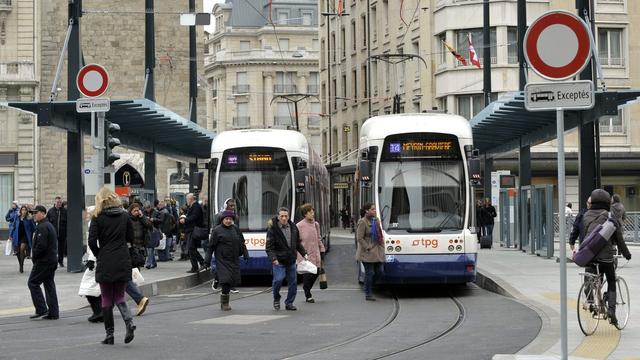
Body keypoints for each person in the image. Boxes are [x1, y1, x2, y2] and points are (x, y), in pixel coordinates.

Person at [88, 187, 137, 345]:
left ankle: (110, 335)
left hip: (105, 258)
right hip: (122, 258)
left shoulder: (97, 217)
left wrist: (98, 254)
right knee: (120, 296)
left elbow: (91, 241)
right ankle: (129, 323)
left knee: (107, 297)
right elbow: (131, 237)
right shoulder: (124, 216)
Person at [579, 189, 631, 326]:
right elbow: (619, 238)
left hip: (589, 256)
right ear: (607, 202)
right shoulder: (610, 216)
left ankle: (590, 300)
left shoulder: (586, 216)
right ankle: (612, 311)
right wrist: (627, 254)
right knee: (612, 280)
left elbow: (585, 235)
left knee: (592, 275)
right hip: (606, 258)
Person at [206, 210, 249, 311]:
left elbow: (242, 242)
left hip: (234, 259)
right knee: (225, 281)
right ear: (222, 220)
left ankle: (218, 280)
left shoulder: (236, 229)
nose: (228, 221)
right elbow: (211, 247)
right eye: (226, 219)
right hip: (222, 260)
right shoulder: (217, 230)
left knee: (231, 281)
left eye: (230, 219)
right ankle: (224, 303)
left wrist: (246, 253)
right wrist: (206, 261)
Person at [266, 207, 307, 311]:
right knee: (278, 280)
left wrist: (304, 254)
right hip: (279, 261)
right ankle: (276, 297)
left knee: (293, 283)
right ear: (278, 216)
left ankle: (289, 303)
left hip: (291, 260)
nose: (284, 218)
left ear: (288, 217)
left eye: (286, 216)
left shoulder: (293, 227)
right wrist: (274, 259)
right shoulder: (273, 229)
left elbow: (297, 243)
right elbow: (269, 247)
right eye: (282, 216)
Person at [27, 205, 59, 320]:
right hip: (50, 260)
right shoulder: (47, 225)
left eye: (36, 213)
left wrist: (34, 256)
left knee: (32, 283)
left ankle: (41, 309)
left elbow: (41, 246)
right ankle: (53, 313)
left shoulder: (43, 227)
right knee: (49, 284)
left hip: (44, 261)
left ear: (42, 213)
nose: (34, 215)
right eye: (33, 213)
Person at [296, 203, 326, 303]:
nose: (312, 213)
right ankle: (308, 294)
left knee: (316, 272)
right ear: (305, 214)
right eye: (310, 212)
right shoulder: (299, 226)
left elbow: (318, 238)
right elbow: (296, 241)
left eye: (313, 212)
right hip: (304, 255)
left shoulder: (316, 224)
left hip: (316, 253)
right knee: (308, 274)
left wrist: (322, 250)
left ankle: (307, 288)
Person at [356, 202, 385, 301]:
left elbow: (380, 234)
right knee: (370, 273)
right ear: (366, 211)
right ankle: (368, 293)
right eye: (372, 209)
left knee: (380, 271)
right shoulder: (362, 222)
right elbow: (359, 238)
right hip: (367, 252)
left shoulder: (376, 220)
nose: (374, 211)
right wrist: (367, 247)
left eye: (374, 209)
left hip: (377, 250)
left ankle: (369, 286)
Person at [180, 193, 206, 273]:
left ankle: (201, 263)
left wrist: (185, 220)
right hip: (190, 230)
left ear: (191, 199)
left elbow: (194, 216)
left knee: (191, 248)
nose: (187, 201)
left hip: (193, 230)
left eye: (187, 199)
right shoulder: (192, 206)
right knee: (192, 249)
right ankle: (197, 265)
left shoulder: (196, 206)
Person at [11, 205, 36, 273]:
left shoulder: (29, 218)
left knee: (22, 249)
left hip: (25, 237)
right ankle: (21, 264)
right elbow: (13, 226)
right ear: (20, 211)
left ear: (27, 211)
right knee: (18, 252)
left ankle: (21, 267)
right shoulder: (17, 217)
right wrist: (10, 235)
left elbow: (34, 228)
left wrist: (33, 233)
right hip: (17, 236)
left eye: (25, 210)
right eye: (22, 210)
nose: (24, 211)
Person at [46, 196, 67, 268]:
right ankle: (53, 261)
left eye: (60, 202)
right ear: (55, 202)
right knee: (53, 248)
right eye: (58, 202)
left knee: (61, 248)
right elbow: (47, 222)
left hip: (62, 233)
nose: (59, 204)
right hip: (53, 233)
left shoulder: (65, 211)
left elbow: (68, 222)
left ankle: (60, 261)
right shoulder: (50, 211)